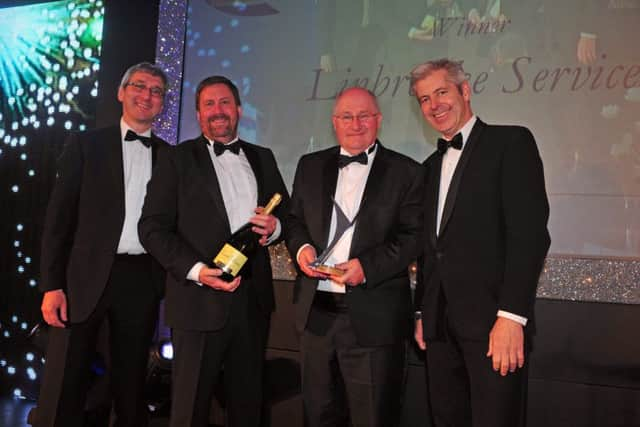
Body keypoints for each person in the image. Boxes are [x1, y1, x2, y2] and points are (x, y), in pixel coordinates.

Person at [138, 75, 289, 427]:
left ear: (238, 109)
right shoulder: (176, 159)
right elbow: (152, 228)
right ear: (198, 114)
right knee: (190, 409)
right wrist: (196, 270)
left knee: (247, 406)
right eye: (209, 104)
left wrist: (276, 227)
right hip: (196, 300)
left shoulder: (262, 157)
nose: (217, 111)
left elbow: (286, 214)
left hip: (252, 302)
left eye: (224, 103)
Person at [410, 58, 550, 427]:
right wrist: (423, 312)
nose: (434, 105)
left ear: (465, 91)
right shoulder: (427, 168)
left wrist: (511, 317)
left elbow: (530, 235)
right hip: (439, 331)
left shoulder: (511, 142)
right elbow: (430, 250)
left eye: (441, 92)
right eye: (424, 99)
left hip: (494, 327)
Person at [36, 62, 169, 427]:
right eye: (139, 86)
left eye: (156, 91)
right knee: (67, 380)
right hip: (83, 277)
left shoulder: (173, 157)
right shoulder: (86, 144)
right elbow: (58, 221)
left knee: (130, 384)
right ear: (121, 92)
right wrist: (51, 285)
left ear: (163, 103)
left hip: (141, 278)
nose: (147, 96)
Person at [285, 87, 424, 427]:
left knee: (374, 418)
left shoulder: (407, 172)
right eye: (347, 116)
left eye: (365, 116)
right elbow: (293, 220)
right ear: (334, 122)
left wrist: (367, 268)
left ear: (378, 120)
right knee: (318, 416)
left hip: (375, 320)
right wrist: (302, 248)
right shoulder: (310, 165)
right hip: (316, 317)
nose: (356, 123)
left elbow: (414, 237)